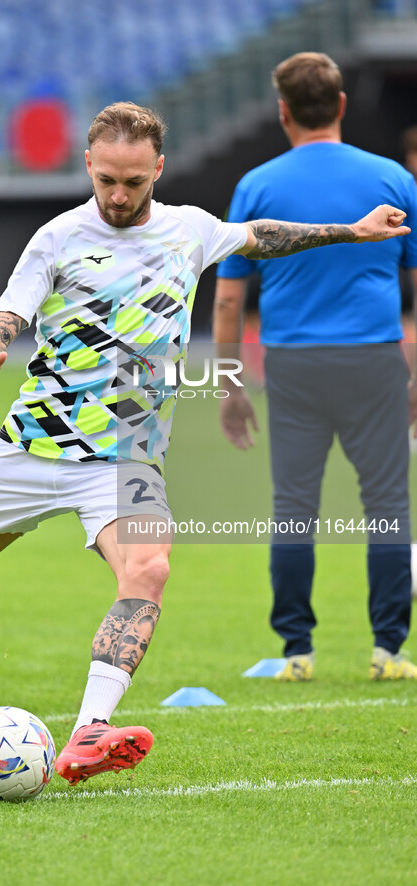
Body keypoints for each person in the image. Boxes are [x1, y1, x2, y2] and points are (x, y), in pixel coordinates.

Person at [0, 101, 409, 784]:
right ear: (88, 164)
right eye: (106, 179)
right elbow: (7, 315)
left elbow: (261, 234)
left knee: (149, 569)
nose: (117, 194)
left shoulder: (189, 231)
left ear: (157, 169)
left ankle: (89, 731)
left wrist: (350, 230)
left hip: (125, 457)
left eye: (133, 182)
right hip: (31, 446)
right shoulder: (56, 237)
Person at [215, 53, 417, 682]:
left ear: (282, 113)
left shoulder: (256, 185)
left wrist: (228, 384)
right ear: (342, 106)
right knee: (387, 503)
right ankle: (389, 652)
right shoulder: (392, 179)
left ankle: (297, 653)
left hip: (295, 367)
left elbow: (227, 297)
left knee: (293, 506)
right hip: (374, 359)